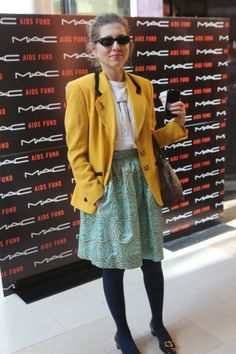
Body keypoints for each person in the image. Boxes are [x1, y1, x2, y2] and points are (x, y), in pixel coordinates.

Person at [64, 13, 186, 354]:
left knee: (152, 260)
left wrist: (176, 125)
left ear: (129, 43)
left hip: (143, 180)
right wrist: (97, 194)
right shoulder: (81, 90)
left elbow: (146, 140)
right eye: (106, 41)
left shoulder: (142, 86)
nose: (115, 46)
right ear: (93, 48)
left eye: (121, 39)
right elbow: (76, 151)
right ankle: (122, 333)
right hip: (108, 185)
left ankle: (157, 323)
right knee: (113, 266)